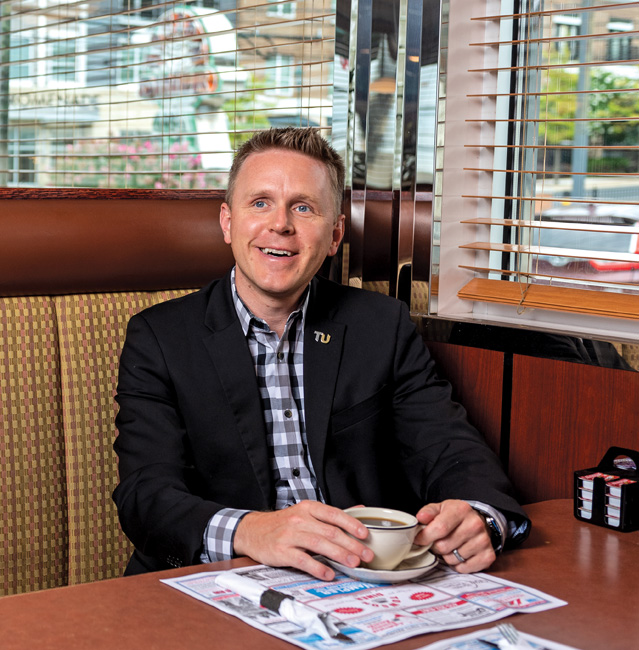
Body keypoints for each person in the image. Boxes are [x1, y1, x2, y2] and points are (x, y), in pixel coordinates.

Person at [112, 127, 530, 581]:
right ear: (228, 223)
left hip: (364, 578)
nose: (281, 224)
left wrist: (479, 515)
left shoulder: (381, 327)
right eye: (260, 203)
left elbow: (448, 448)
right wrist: (251, 531)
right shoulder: (160, 337)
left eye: (303, 207)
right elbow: (145, 494)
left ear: (334, 236)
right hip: (220, 582)